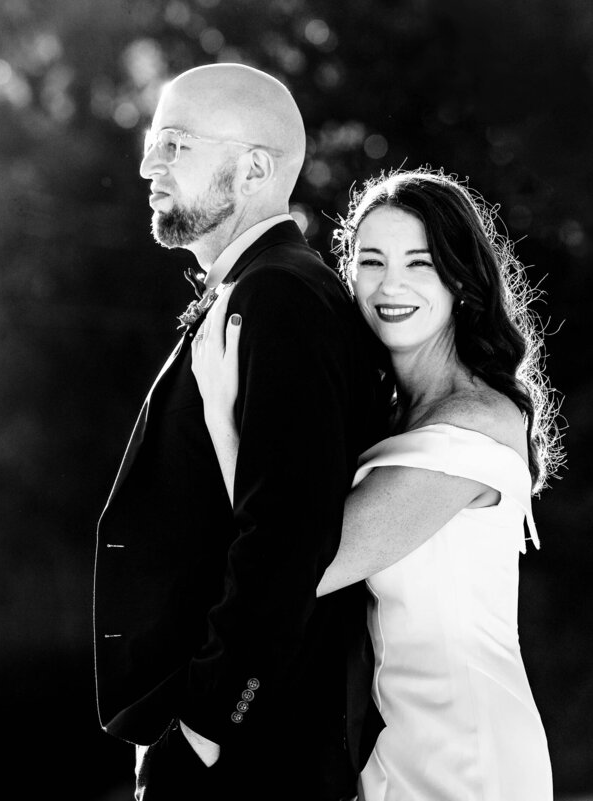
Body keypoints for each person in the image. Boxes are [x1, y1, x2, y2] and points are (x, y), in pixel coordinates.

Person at [192, 169, 562, 800]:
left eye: (420, 262)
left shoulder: (475, 427)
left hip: (468, 756)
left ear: (459, 281)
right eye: (371, 261)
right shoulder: (392, 417)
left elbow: (303, 564)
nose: (391, 284)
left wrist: (222, 418)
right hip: (393, 751)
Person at [93, 63, 387, 800]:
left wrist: (210, 721)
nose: (146, 165)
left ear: (254, 167)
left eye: (175, 145)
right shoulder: (250, 291)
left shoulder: (281, 297)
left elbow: (287, 532)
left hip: (255, 753)